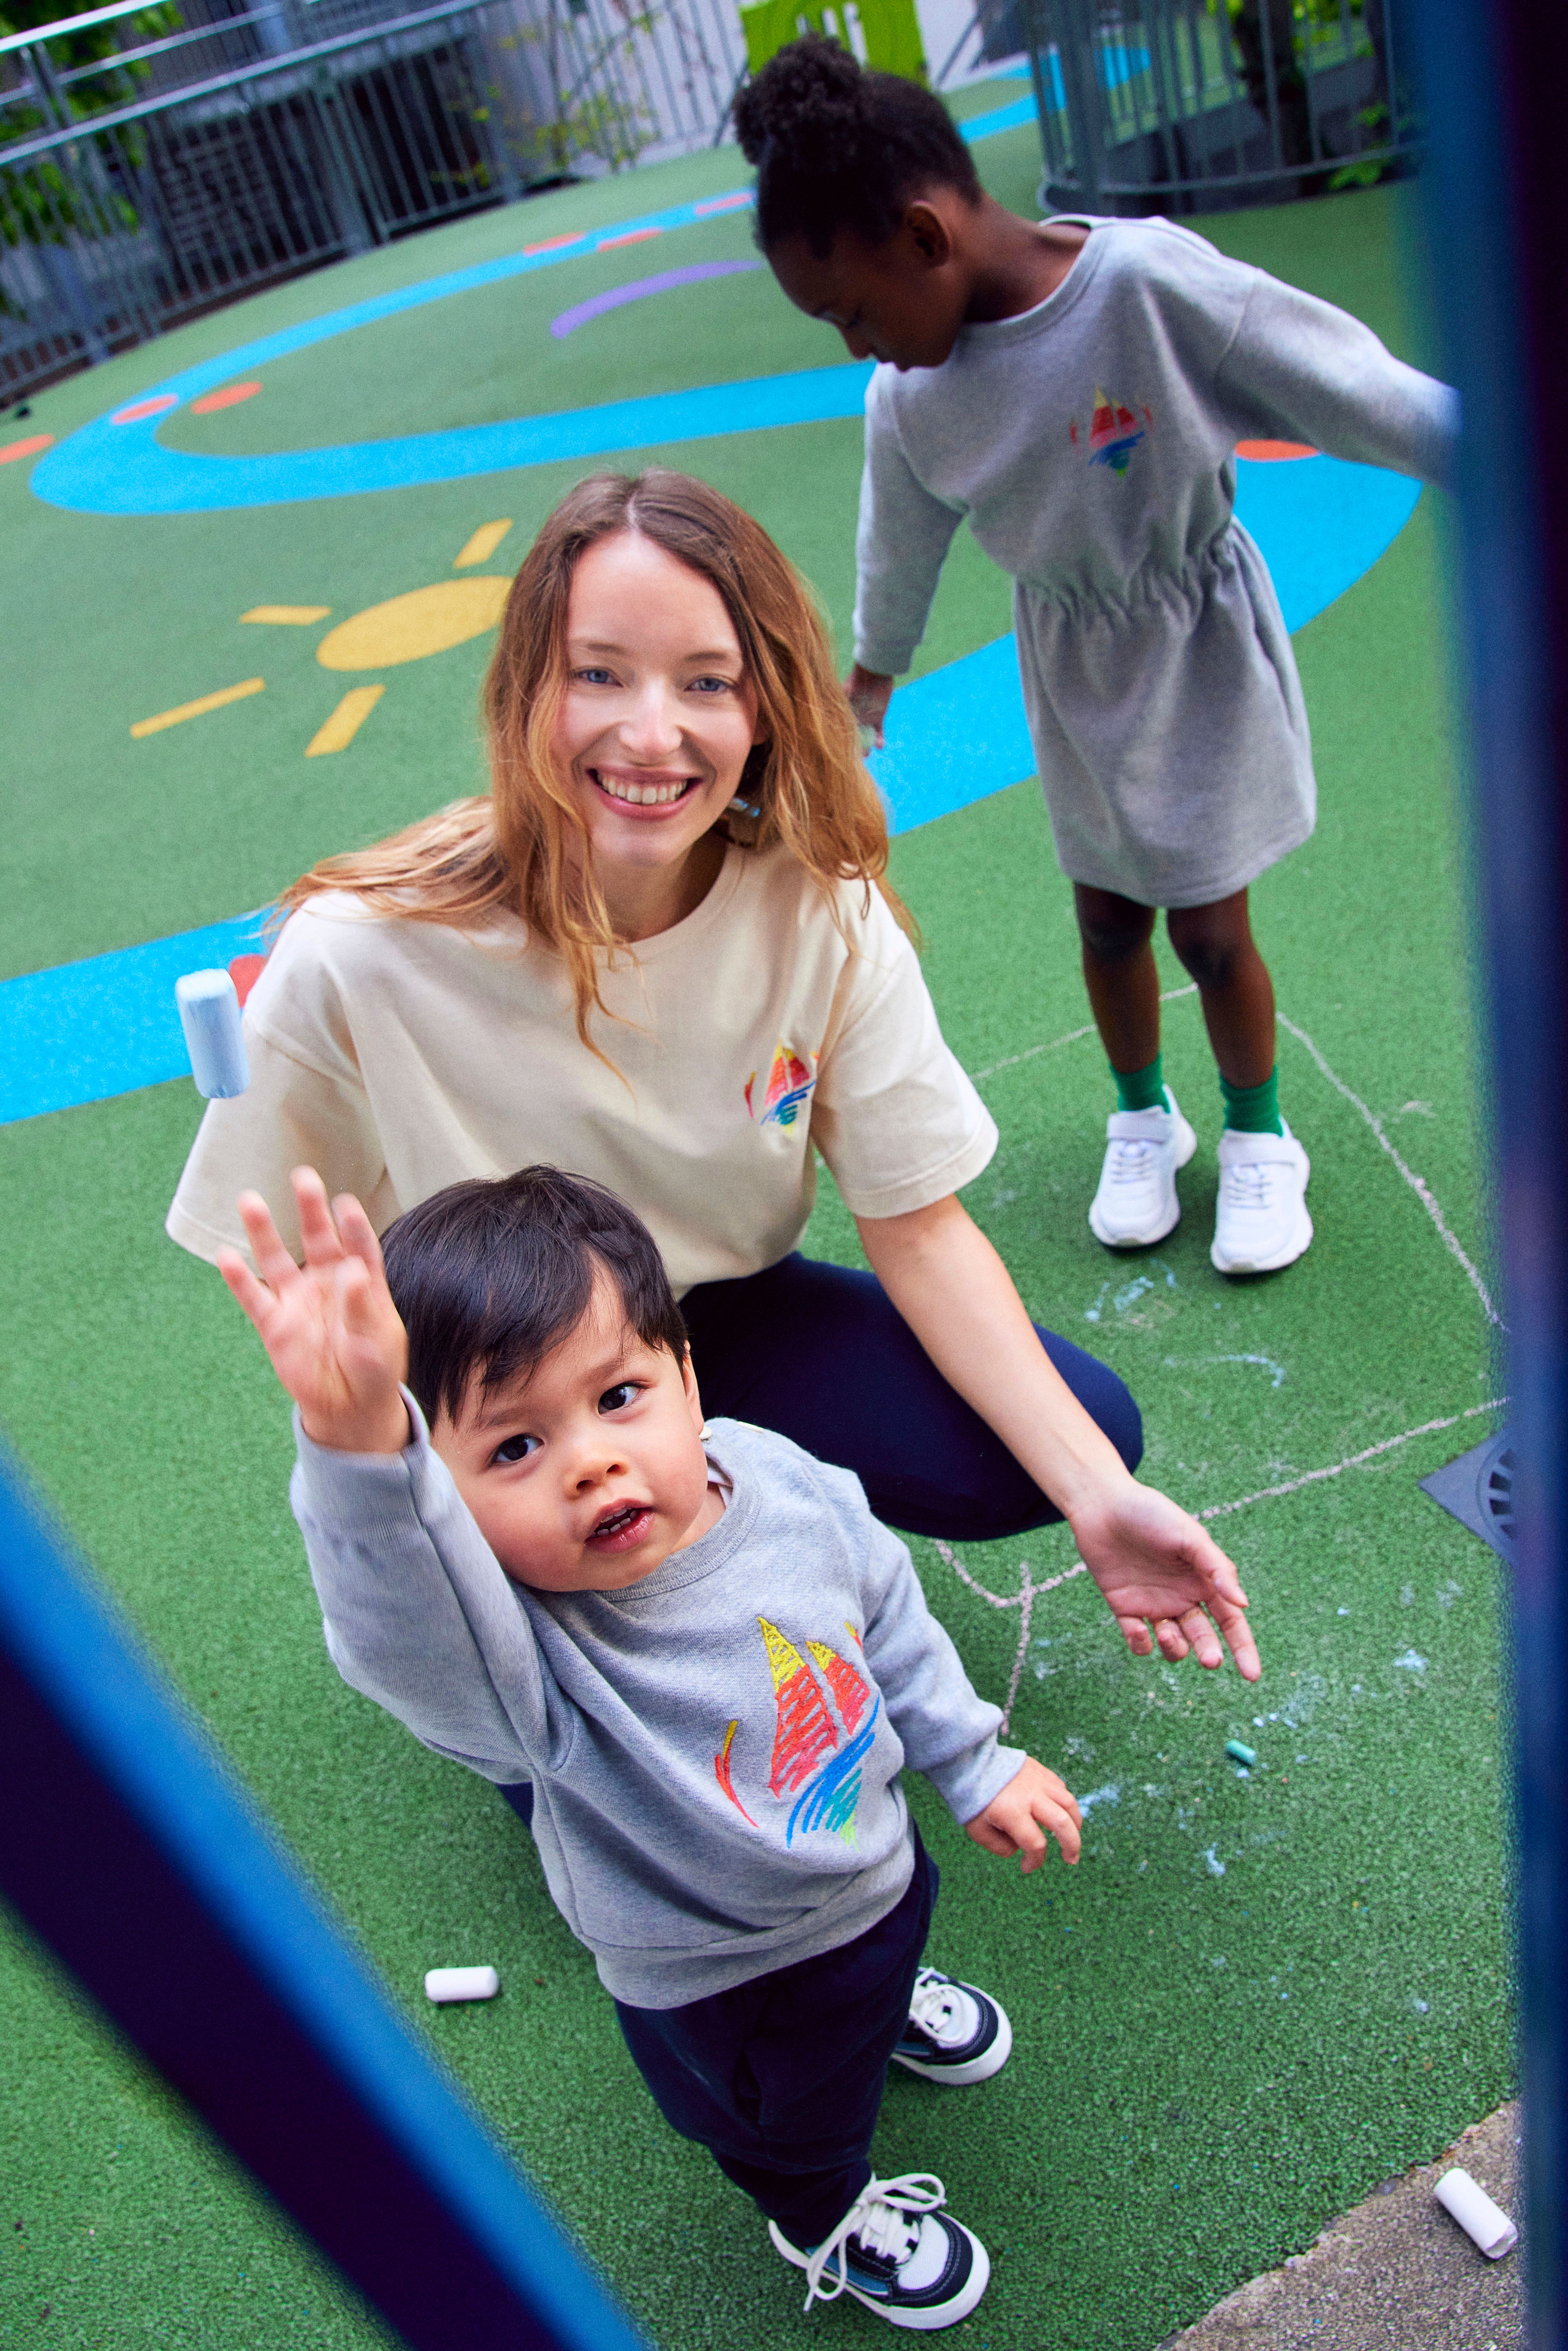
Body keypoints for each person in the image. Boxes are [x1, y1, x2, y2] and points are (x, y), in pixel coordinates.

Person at [168, 467, 1255, 1669]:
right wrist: (392, 1448)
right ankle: (523, 1605)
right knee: (617, 1767)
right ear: (529, 685)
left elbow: (922, 1226)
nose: (651, 731)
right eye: (598, 672)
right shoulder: (356, 954)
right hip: (496, 1391)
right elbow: (290, 1281)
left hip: (710, 1322)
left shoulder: (817, 904)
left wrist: (1097, 1497)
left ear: (765, 710)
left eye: (706, 682)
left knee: (1076, 1432)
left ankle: (697, 1517)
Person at [217, 1162, 1258, 2327]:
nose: (590, 1460)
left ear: (685, 1371)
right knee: (791, 2123)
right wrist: (358, 1450)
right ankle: (821, 2213)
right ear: (446, 1510)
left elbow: (886, 1615)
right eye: (513, 1448)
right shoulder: (520, 1661)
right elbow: (393, 1631)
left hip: (873, 1869)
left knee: (877, 1966)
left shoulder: (775, 1474)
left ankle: (889, 2005)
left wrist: (971, 1758)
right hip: (725, 1981)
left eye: (618, 1396)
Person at [734, 37, 1460, 1277]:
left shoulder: (1140, 287)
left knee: (1210, 928)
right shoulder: (910, 397)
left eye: (851, 309)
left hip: (1194, 639)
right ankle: (1144, 1114)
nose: (855, 342)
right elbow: (897, 538)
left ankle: (1259, 1132)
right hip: (1071, 659)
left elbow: (1337, 375)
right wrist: (874, 670)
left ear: (924, 235)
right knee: (1109, 916)